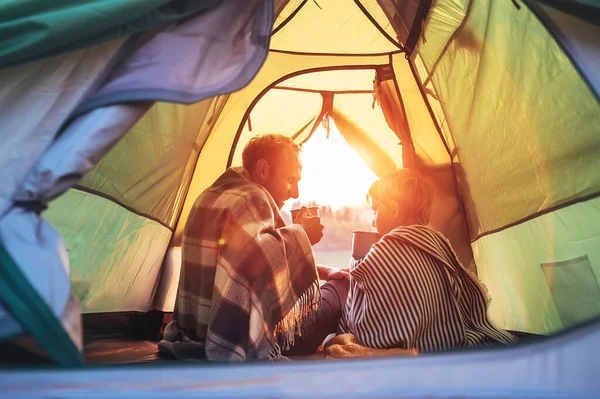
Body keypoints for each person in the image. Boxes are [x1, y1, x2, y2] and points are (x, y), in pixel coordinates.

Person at [159, 133, 348, 361]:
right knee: (339, 288)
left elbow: (243, 263)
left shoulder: (209, 196)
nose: (295, 192)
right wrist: (302, 233)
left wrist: (324, 271)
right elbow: (256, 263)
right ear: (263, 169)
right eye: (291, 179)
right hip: (246, 339)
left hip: (198, 332)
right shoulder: (252, 199)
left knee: (332, 278)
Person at [328, 169, 515, 358]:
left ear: (394, 209)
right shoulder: (436, 240)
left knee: (336, 339)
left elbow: (364, 321)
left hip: (419, 349)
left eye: (376, 210)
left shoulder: (387, 247)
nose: (372, 220)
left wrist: (355, 264)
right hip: (449, 340)